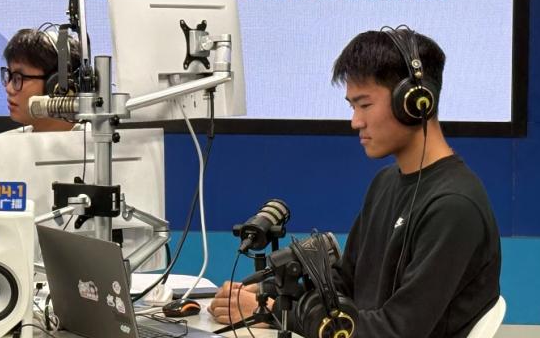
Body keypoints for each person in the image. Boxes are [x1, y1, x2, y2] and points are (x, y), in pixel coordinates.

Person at [210, 27, 501, 338]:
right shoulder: (385, 183)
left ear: (414, 103)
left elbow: (396, 332)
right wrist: (269, 295)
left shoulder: (454, 207)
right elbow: (345, 284)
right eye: (353, 106)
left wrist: (270, 313)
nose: (355, 121)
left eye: (365, 105)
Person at [0, 28, 81, 180]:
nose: (9, 88)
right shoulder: (0, 151)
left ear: (56, 85)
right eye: (9, 76)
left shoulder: (101, 145)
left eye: (18, 78)